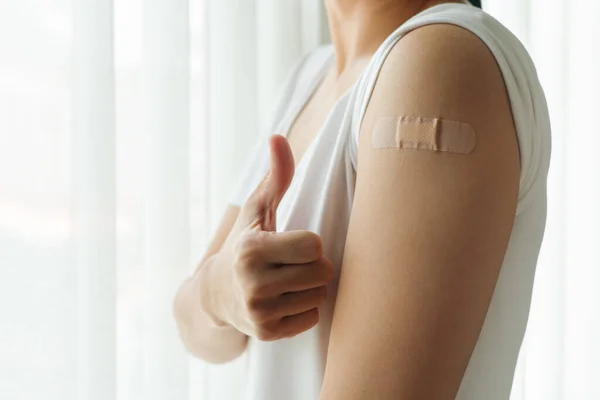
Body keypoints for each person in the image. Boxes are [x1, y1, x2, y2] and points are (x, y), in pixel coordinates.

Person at [174, 0, 551, 399]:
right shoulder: (309, 78)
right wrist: (220, 292)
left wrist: (214, 297)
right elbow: (193, 327)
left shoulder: (438, 60)